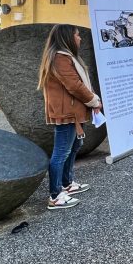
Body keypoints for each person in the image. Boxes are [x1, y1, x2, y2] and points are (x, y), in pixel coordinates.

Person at [37, 24, 102, 210]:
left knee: (75, 146)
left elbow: (79, 84)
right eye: (77, 35)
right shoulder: (60, 57)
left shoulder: (66, 56)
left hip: (73, 111)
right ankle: (55, 196)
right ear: (67, 37)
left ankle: (67, 184)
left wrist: (92, 101)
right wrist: (94, 101)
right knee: (61, 152)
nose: (80, 38)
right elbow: (74, 85)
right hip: (66, 113)